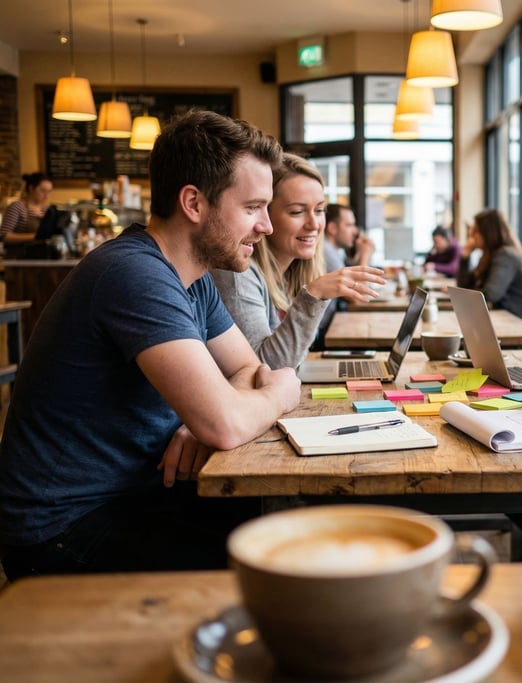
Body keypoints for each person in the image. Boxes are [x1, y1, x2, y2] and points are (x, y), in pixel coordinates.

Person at [0, 110, 303, 580]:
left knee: (280, 522)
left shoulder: (193, 277)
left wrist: (206, 416)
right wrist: (281, 391)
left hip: (134, 495)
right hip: (62, 529)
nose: (265, 226)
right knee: (274, 561)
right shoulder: (135, 275)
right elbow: (232, 417)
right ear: (193, 203)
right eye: (252, 208)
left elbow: (245, 368)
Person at [213, 153, 386, 369]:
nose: (314, 224)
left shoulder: (285, 273)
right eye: (297, 212)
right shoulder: (239, 276)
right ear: (265, 215)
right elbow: (264, 369)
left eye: (320, 210)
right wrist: (314, 295)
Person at [457, 208, 522, 329]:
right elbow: (464, 286)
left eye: (475, 232)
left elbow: (492, 294)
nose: (471, 237)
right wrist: (465, 254)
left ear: (487, 232)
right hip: (508, 319)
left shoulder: (505, 256)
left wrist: (463, 296)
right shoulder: (489, 256)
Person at [1, 171, 53, 243]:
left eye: (49, 192)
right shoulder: (17, 207)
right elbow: (4, 236)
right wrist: (36, 236)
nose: (46, 196)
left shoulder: (47, 209)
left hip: (43, 252)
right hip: (20, 252)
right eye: (43, 191)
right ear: (31, 188)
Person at [324, 203, 375, 271]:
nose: (355, 231)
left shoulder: (338, 251)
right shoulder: (326, 251)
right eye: (349, 225)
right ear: (332, 228)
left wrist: (359, 253)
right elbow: (351, 281)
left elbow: (349, 270)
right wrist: (365, 256)